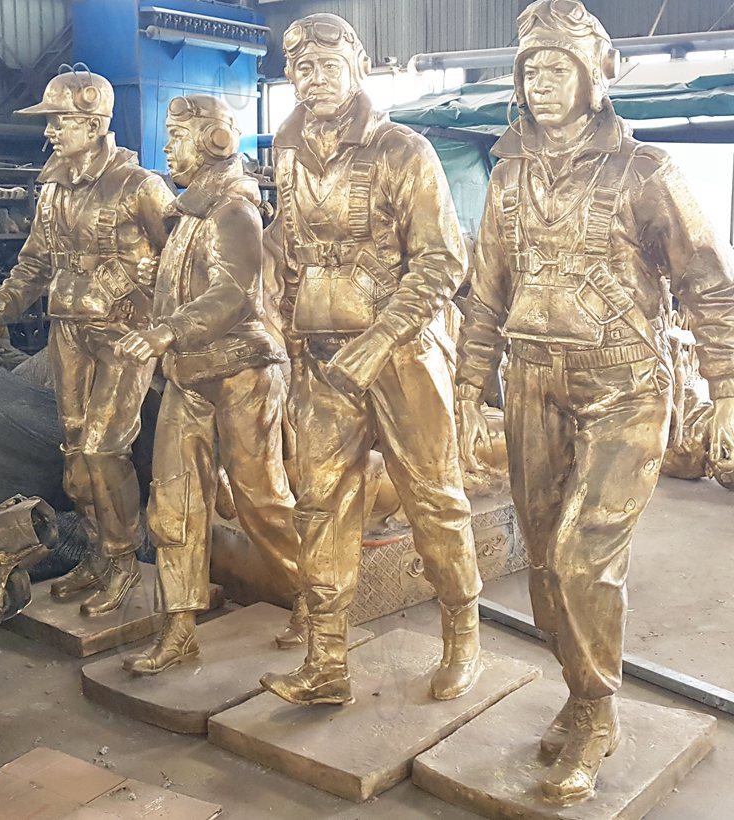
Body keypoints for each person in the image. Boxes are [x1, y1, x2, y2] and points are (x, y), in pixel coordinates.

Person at [457, 0, 734, 803]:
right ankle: (581, 697)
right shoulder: (507, 176)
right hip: (533, 381)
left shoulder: (646, 172)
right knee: (544, 562)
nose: (542, 84)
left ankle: (600, 710)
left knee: (584, 558)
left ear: (591, 78)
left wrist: (726, 390)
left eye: (558, 69)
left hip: (625, 387)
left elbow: (708, 286)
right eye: (531, 71)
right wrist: (469, 387)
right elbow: (484, 295)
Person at [259, 13, 483, 707]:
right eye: (300, 68)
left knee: (434, 498)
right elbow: (290, 247)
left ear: (357, 66)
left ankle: (462, 634)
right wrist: (289, 328)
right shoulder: (289, 149)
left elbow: (445, 260)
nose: (312, 79)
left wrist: (380, 339)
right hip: (323, 360)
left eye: (326, 65)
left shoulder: (402, 150)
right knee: (320, 503)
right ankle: (327, 663)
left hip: (403, 353)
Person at [0, 67, 174, 617]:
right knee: (76, 448)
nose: (51, 131)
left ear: (92, 122)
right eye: (51, 122)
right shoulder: (53, 186)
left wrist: (143, 307)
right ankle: (98, 553)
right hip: (69, 334)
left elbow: (179, 263)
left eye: (59, 121)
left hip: (124, 337)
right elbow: (33, 262)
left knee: (107, 450)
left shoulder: (140, 186)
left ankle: (126, 560)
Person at [115, 95, 305, 675]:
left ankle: (315, 602)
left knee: (261, 500)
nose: (168, 147)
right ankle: (180, 629)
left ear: (216, 140)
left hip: (244, 372)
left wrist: (164, 332)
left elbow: (232, 296)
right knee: (173, 500)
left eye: (177, 136)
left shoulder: (233, 212)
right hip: (190, 375)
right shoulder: (189, 213)